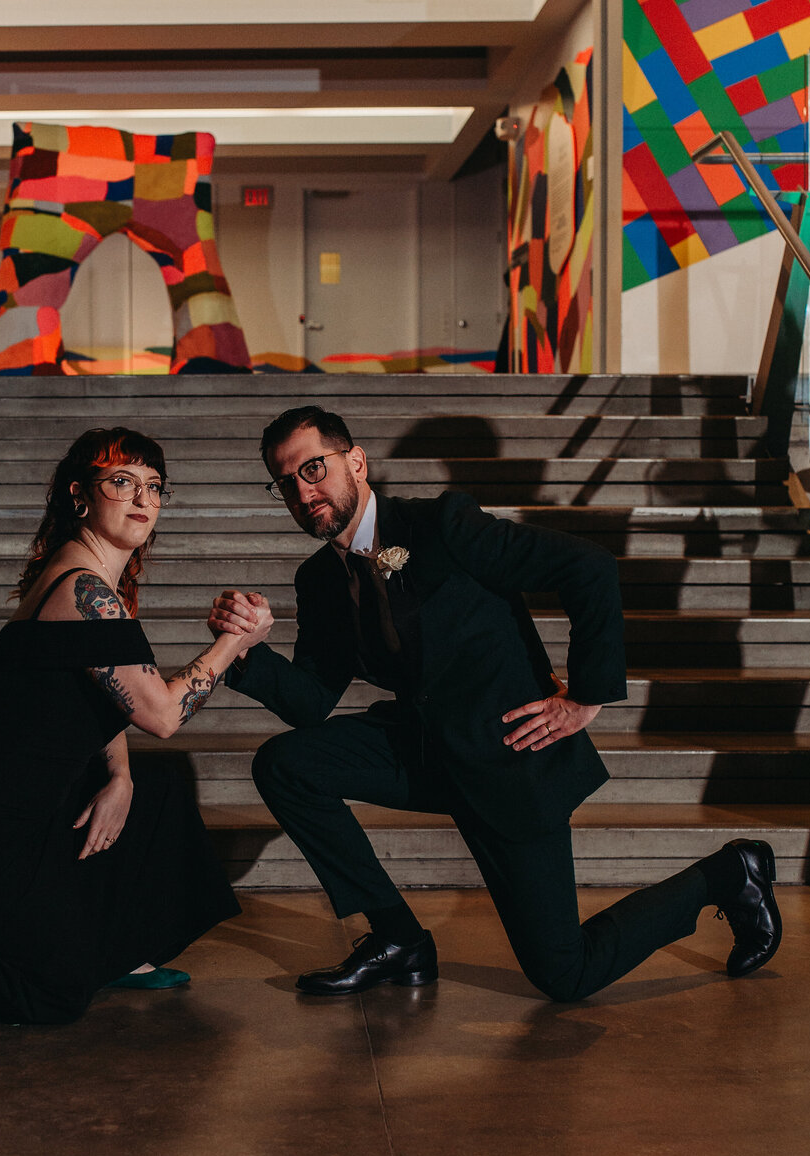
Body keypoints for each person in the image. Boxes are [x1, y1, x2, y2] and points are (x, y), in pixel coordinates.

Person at [209, 405, 781, 1001]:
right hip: (426, 750)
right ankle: (396, 937)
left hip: (509, 756)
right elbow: (311, 701)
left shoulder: (444, 526)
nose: (303, 492)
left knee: (566, 974)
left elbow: (589, 567)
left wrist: (586, 696)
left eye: (314, 469)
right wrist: (241, 651)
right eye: (286, 483)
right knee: (287, 764)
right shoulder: (320, 579)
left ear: (356, 462)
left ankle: (730, 872)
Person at [0, 427, 271, 1024]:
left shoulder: (91, 579)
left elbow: (98, 689)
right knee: (55, 993)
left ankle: (115, 951)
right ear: (80, 496)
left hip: (15, 809)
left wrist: (119, 776)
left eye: (154, 486)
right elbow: (162, 716)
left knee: (154, 791)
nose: (142, 498)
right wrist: (232, 644)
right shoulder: (85, 590)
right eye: (122, 482)